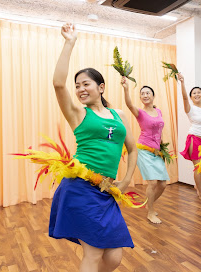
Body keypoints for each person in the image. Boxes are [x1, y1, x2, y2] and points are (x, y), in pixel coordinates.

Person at [49, 23, 137, 272]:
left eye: (85, 84)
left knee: (114, 258)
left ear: (101, 87)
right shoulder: (78, 113)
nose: (79, 89)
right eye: (77, 85)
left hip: (107, 191)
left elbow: (132, 149)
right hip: (81, 188)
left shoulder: (118, 115)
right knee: (94, 252)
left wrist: (127, 180)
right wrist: (69, 42)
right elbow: (58, 84)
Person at [121, 78, 169, 224]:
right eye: (143, 94)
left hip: (156, 152)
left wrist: (160, 149)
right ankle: (150, 212)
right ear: (141, 98)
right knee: (153, 183)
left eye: (148, 93)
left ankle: (150, 204)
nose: (145, 95)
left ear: (153, 96)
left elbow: (159, 131)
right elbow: (129, 104)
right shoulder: (140, 113)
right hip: (143, 150)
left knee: (163, 184)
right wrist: (126, 88)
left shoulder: (158, 111)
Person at [178, 74, 201, 202]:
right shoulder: (190, 108)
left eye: (199, 92)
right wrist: (182, 82)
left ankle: (197, 185)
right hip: (194, 139)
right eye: (194, 93)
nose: (197, 94)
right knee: (199, 167)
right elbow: (184, 98)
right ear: (191, 97)